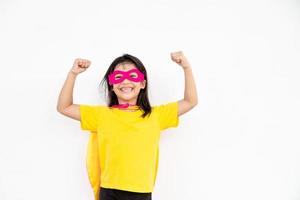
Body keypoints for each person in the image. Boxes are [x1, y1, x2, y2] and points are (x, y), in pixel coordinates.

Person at [56, 51, 198, 200]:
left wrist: (186, 68)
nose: (125, 82)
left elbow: (190, 101)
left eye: (133, 76)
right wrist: (73, 74)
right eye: (118, 77)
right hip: (109, 191)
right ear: (111, 84)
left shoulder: (156, 115)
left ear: (142, 83)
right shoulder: (101, 115)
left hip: (141, 192)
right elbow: (64, 107)